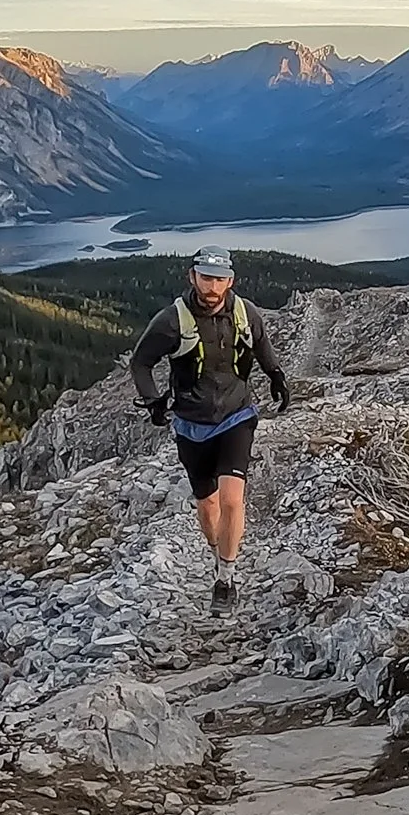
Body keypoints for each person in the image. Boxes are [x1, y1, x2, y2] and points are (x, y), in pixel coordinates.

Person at [128, 247, 290, 601]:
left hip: (237, 416)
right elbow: (141, 362)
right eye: (206, 277)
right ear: (192, 276)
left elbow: (261, 343)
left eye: (219, 279)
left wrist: (276, 375)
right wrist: (153, 399)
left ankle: (225, 579)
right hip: (191, 424)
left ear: (230, 280)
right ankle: (218, 552)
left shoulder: (246, 313)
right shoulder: (173, 320)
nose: (212, 286)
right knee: (207, 507)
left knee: (233, 500)